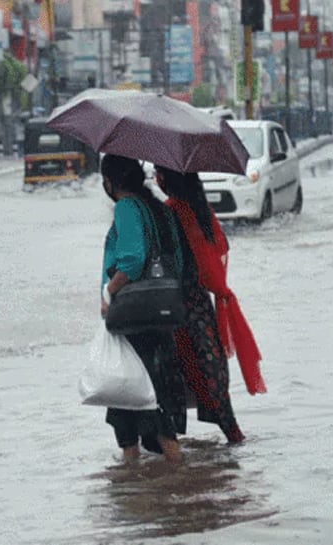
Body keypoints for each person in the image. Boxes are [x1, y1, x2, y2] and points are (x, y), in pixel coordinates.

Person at [154, 166, 266, 444]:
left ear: (168, 179)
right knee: (210, 373)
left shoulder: (171, 213)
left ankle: (169, 452)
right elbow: (219, 249)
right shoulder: (201, 211)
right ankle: (233, 436)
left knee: (174, 378)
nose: (156, 178)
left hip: (175, 308)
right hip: (201, 306)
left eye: (159, 172)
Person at [100, 154, 188, 464]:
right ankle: (162, 480)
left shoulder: (126, 208)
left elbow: (133, 261)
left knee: (133, 396)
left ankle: (134, 476)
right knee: (152, 394)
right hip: (163, 312)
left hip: (134, 317)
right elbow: (176, 261)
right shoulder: (159, 209)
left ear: (109, 182)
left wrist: (108, 291)